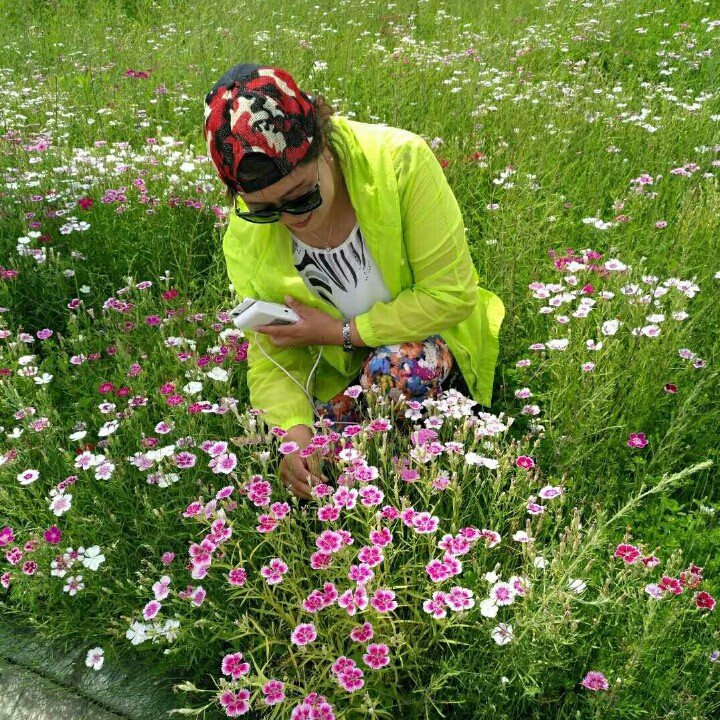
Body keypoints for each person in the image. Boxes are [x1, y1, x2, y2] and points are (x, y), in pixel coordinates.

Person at [204, 64, 504, 500]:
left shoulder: (399, 161)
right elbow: (270, 352)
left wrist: (342, 333)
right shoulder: (245, 233)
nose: (291, 219)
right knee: (306, 447)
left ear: (323, 148)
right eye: (264, 210)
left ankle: (382, 462)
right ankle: (360, 458)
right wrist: (294, 431)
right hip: (339, 373)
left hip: (428, 341)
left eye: (301, 196)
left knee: (397, 369)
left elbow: (451, 295)